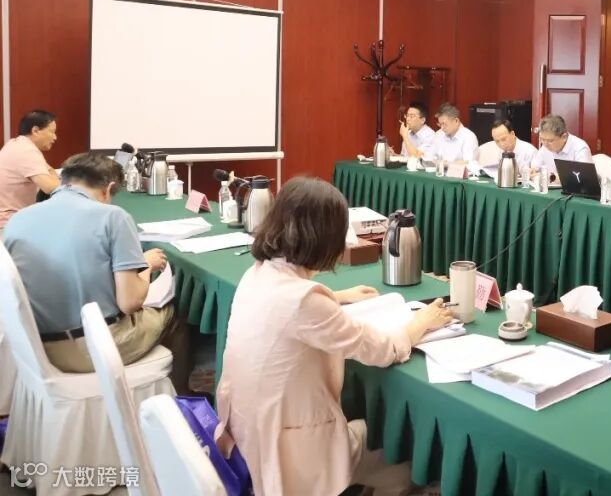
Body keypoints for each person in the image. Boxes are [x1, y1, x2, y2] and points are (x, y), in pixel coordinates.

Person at [215, 177, 452, 496]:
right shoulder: (304, 302)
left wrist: (336, 297)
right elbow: (380, 349)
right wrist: (420, 323)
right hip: (290, 453)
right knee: (404, 443)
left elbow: (284, 310)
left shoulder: (257, 273)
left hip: (248, 435)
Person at [2, 152, 190, 392]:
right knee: (177, 314)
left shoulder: (18, 219)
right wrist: (146, 267)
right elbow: (130, 302)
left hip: (33, 349)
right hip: (94, 349)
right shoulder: (114, 217)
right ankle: (181, 398)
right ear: (109, 189)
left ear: (63, 179)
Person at [0, 110, 60, 231]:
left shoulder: (15, 143)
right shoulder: (27, 151)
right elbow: (51, 188)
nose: (55, 137)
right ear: (35, 130)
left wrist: (53, 174)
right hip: (10, 224)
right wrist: (58, 179)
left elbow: (50, 169)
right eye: (52, 132)